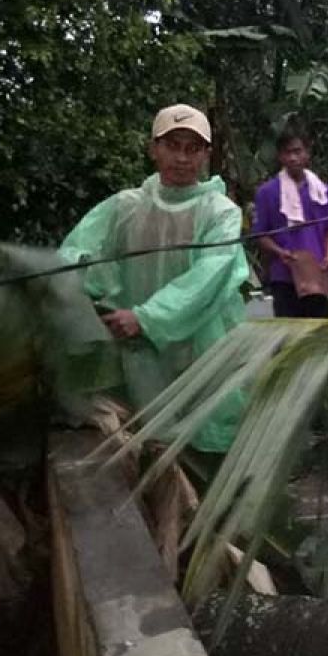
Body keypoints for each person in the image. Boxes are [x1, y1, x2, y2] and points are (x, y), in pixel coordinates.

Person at [60, 104, 249, 453]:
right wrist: (78, 292)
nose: (181, 157)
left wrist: (147, 317)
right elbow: (79, 256)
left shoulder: (219, 212)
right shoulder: (124, 208)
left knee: (207, 443)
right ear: (153, 149)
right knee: (147, 443)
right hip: (141, 352)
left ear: (207, 154)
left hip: (203, 345)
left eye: (192, 148)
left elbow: (209, 276)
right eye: (172, 145)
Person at [253, 126, 328, 318]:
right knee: (289, 333)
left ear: (307, 153)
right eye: (287, 153)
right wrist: (280, 252)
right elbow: (261, 235)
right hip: (283, 276)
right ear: (280, 157)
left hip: (318, 273)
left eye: (297, 151)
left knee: (319, 331)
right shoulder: (267, 192)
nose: (293, 158)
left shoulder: (323, 191)